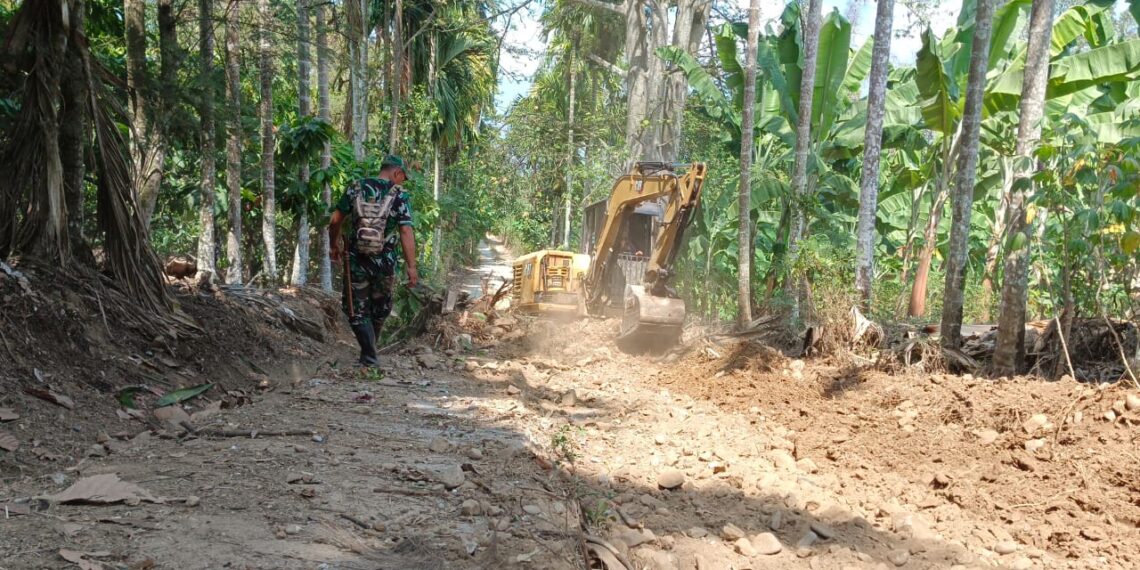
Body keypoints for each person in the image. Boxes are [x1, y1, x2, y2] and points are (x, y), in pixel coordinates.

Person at [328, 155, 419, 366]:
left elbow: (335, 220)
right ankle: (370, 356)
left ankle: (368, 354)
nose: (402, 182)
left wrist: (333, 244)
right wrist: (411, 266)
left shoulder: (356, 188)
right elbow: (405, 230)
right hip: (385, 262)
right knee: (381, 308)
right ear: (396, 172)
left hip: (356, 261)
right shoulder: (399, 195)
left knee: (356, 309)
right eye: (403, 177)